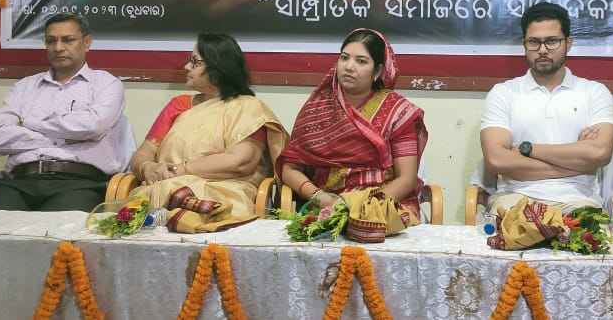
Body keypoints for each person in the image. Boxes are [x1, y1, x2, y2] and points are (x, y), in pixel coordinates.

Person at [128, 33, 287, 230]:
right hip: (162, 192)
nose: (186, 67)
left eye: (195, 62)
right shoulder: (179, 105)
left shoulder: (249, 108)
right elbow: (143, 152)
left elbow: (241, 162)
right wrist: (147, 167)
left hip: (224, 195)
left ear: (218, 67)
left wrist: (178, 171)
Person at [0, 12, 131, 211]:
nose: (58, 47)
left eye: (68, 40)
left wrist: (28, 123)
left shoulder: (106, 83)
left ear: (87, 43)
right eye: (51, 41)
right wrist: (67, 137)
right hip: (20, 181)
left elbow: (93, 127)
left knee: (58, 228)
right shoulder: (24, 87)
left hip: (78, 182)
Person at [479, 1, 613, 213]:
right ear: (524, 44)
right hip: (515, 201)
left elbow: (600, 152)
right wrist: (578, 162)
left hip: (579, 201)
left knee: (588, 226)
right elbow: (496, 160)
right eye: (534, 42)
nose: (542, 50)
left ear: (568, 43)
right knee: (509, 224)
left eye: (552, 41)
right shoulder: (503, 93)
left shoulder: (594, 92)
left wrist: (527, 149)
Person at [278, 29, 428, 223]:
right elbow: (289, 169)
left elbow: (406, 180)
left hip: (383, 206)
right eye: (344, 58)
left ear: (378, 72)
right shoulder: (317, 109)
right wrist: (319, 197)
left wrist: (362, 208)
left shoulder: (398, 113)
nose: (349, 66)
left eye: (361, 61)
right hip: (327, 207)